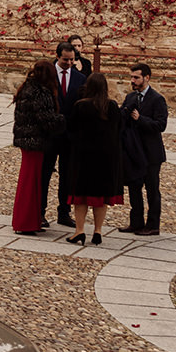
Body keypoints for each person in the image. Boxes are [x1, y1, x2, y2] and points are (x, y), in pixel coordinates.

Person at [63, 72, 124, 245]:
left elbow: (71, 130)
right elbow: (119, 130)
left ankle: (80, 230)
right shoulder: (112, 107)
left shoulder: (81, 106)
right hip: (106, 159)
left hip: (83, 157)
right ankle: (97, 231)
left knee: (81, 195)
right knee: (101, 196)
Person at [9, 59, 66, 235]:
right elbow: (47, 119)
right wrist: (64, 120)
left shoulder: (27, 87)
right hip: (35, 142)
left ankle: (27, 220)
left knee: (29, 181)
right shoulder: (41, 93)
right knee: (31, 182)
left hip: (27, 141)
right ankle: (26, 222)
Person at [118, 65, 169, 236]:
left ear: (147, 78)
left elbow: (161, 125)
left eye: (136, 78)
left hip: (151, 153)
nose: (133, 81)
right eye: (131, 77)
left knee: (152, 189)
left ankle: (153, 224)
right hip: (133, 151)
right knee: (134, 187)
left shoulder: (157, 99)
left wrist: (141, 120)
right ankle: (136, 222)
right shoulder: (130, 97)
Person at [42, 41, 86, 228]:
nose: (69, 63)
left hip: (70, 136)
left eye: (72, 60)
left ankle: (64, 211)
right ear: (58, 56)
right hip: (50, 135)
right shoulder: (46, 75)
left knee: (68, 176)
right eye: (65, 60)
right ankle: (40, 211)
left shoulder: (80, 78)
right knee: (44, 175)